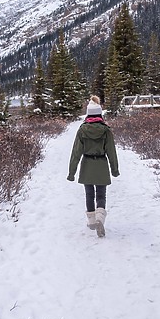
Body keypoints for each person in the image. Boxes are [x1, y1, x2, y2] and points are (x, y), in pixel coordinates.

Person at [67, 95, 119, 237]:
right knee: (101, 195)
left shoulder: (82, 130)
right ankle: (100, 219)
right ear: (100, 114)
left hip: (87, 165)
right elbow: (112, 152)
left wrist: (72, 172)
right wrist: (114, 170)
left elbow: (76, 152)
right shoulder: (106, 130)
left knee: (89, 194)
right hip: (101, 164)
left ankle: (91, 221)